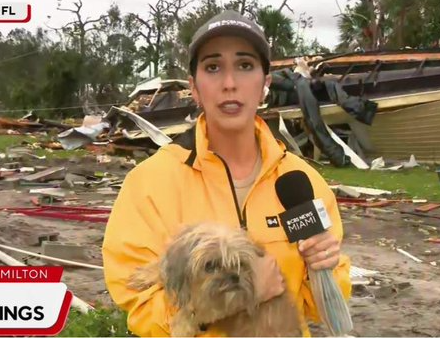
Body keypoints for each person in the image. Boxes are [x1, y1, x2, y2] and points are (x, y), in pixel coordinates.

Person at [102, 10, 351, 337]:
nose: (230, 83)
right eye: (213, 67)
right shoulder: (150, 184)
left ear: (265, 84)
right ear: (194, 86)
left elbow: (318, 307)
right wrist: (235, 299)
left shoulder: (302, 182)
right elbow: (141, 305)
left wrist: (325, 269)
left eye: (245, 66)